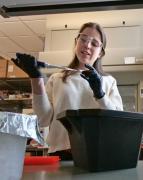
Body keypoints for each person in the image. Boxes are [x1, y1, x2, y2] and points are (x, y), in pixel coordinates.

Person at [11, 22, 123, 160]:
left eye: (94, 43)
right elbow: (43, 120)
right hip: (61, 154)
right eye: (83, 39)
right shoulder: (57, 79)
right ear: (76, 42)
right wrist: (36, 78)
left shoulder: (108, 81)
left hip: (98, 154)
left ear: (101, 52)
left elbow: (117, 122)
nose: (87, 45)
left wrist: (100, 95)